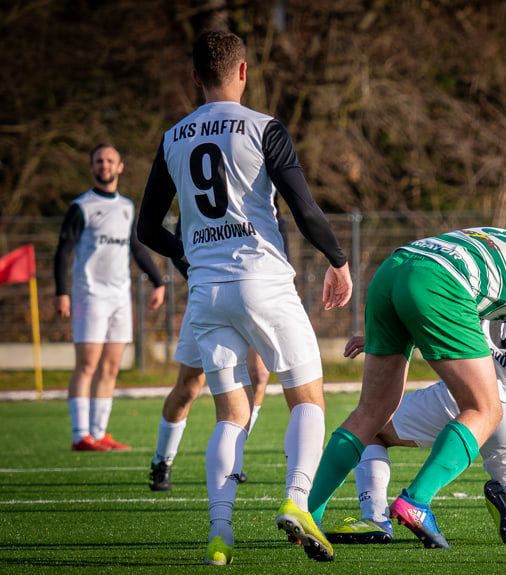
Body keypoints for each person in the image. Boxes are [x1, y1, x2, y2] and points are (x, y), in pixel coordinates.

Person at [136, 30, 352, 566]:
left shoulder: (173, 136)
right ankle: (297, 502)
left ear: (194, 77)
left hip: (207, 293)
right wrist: (338, 261)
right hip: (263, 281)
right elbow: (303, 209)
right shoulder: (263, 128)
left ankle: (220, 533)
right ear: (244, 71)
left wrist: (187, 257)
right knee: (307, 398)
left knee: (230, 415)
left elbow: (146, 227)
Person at [305, 227, 506, 560]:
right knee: (493, 425)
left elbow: (443, 311)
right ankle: (430, 500)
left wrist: (399, 335)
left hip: (402, 274)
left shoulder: (500, 252)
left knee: (371, 420)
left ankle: (333, 515)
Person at [326, 318, 506, 546]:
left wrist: (383, 340)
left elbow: (439, 320)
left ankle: (375, 518)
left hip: (455, 397)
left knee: (371, 428)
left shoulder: (487, 285)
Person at [149, 213, 292, 491]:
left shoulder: (260, 188)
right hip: (208, 295)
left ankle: (232, 458)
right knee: (189, 387)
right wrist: (201, 275)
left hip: (253, 296)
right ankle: (161, 461)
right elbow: (177, 244)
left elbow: (279, 237)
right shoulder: (198, 183)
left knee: (260, 374)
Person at [54, 143, 166, 452]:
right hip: (90, 296)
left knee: (111, 367)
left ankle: (99, 433)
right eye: (99, 160)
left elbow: (137, 247)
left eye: (110, 160)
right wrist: (61, 291)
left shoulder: (127, 206)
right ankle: (80, 436)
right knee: (87, 365)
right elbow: (63, 250)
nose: (104, 165)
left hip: (120, 297)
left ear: (120, 167)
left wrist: (158, 281)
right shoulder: (82, 206)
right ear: (92, 167)